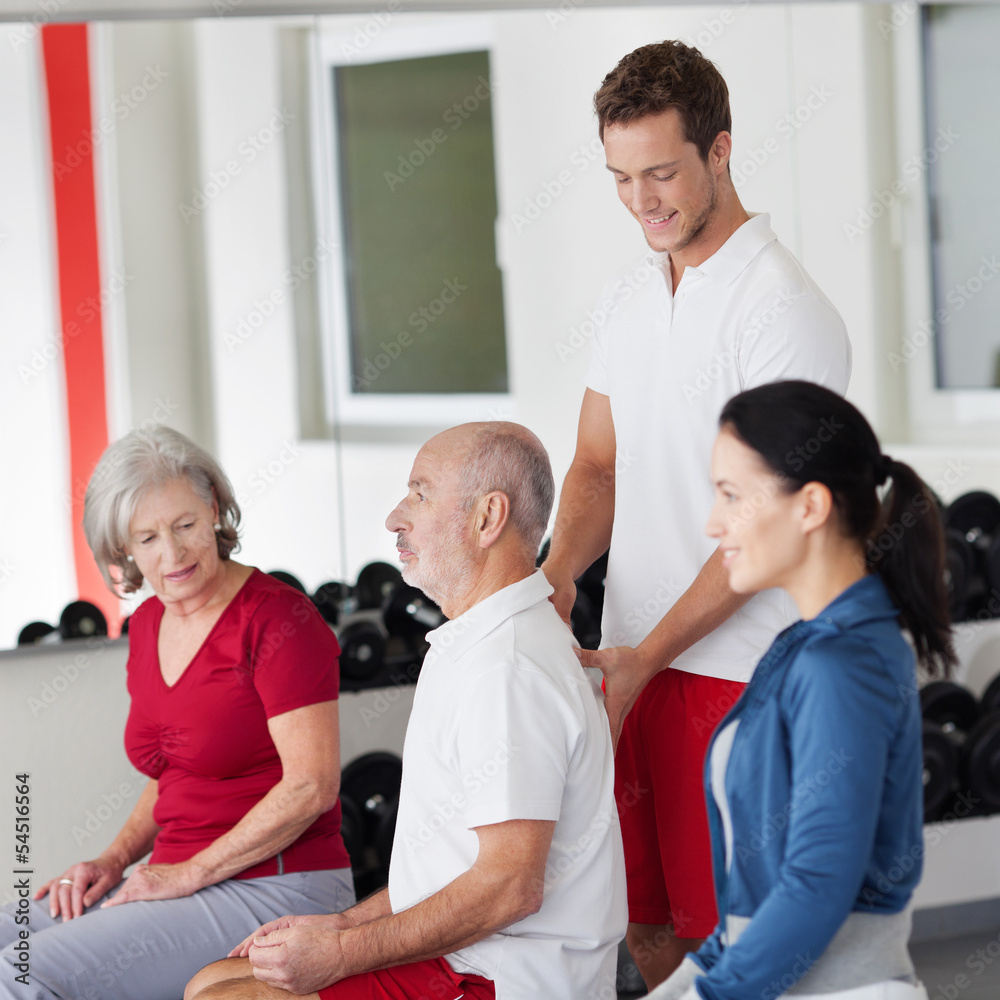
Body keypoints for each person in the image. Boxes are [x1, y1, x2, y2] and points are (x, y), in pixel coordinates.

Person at [540, 39, 852, 988]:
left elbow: (763, 528)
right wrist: (552, 586)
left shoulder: (783, 311)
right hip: (632, 664)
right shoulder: (628, 298)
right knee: (646, 933)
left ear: (720, 151)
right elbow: (598, 467)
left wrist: (642, 658)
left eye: (663, 172)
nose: (644, 201)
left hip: (738, 677)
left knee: (743, 952)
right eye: (622, 178)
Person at [183, 421, 626, 1000]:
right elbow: (447, 868)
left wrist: (340, 953)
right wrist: (339, 924)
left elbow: (511, 887)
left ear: (487, 518)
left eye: (420, 493)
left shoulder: (507, 667)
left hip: (502, 980)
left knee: (228, 998)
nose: (396, 516)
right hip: (469, 957)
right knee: (211, 981)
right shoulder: (474, 642)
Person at [0, 426, 354, 1000]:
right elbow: (175, 772)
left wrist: (188, 874)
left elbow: (312, 786)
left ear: (213, 508)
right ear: (124, 550)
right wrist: (113, 861)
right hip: (172, 878)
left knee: (20, 975)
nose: (173, 554)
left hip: (278, 887)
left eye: (185, 525)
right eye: (147, 538)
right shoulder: (146, 626)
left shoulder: (280, 620)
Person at [647, 379, 950, 1000]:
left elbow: (817, 883)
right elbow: (756, 893)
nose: (713, 524)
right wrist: (693, 978)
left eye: (732, 496)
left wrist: (712, 994)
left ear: (810, 507)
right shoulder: (801, 648)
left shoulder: (843, 661)